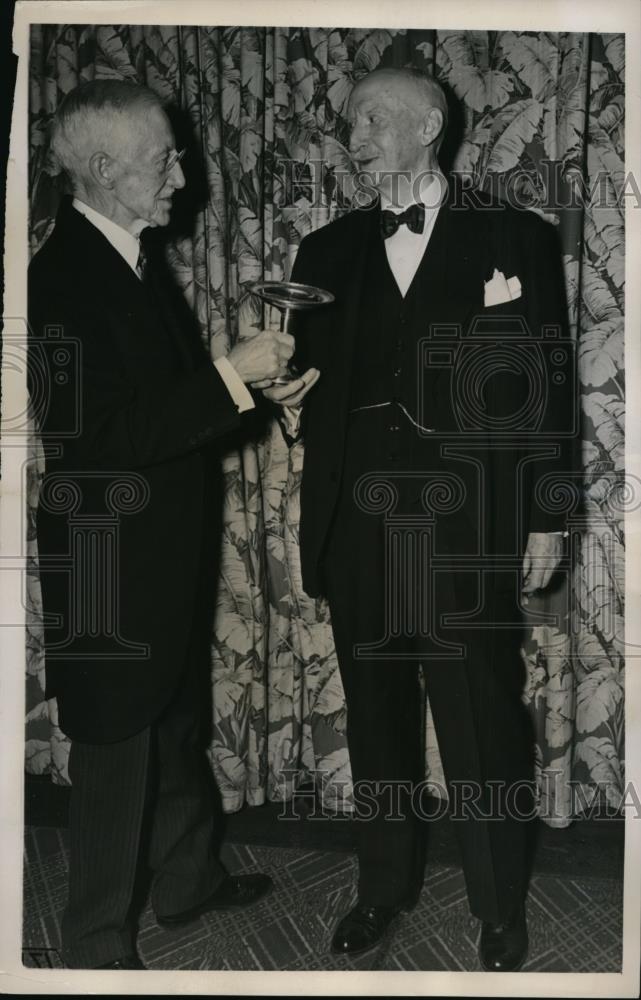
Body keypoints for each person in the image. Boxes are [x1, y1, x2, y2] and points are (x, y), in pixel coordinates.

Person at [263, 67, 574, 970]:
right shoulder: (320, 254)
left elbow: (548, 389)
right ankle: (383, 887)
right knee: (376, 717)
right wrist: (285, 401)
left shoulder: (512, 236)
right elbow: (307, 395)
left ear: (430, 124)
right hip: (357, 524)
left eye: (373, 117)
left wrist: (546, 515)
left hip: (467, 522)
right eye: (349, 119)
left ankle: (496, 903)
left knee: (481, 719)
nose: (353, 134)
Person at [28, 80, 296, 970]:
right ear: (104, 171)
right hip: (109, 555)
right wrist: (229, 376)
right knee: (115, 745)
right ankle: (95, 950)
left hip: (157, 546)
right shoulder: (60, 277)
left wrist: (251, 385)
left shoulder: (130, 256)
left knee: (174, 717)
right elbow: (98, 438)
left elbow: (161, 408)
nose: (183, 173)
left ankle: (186, 881)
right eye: (163, 159)